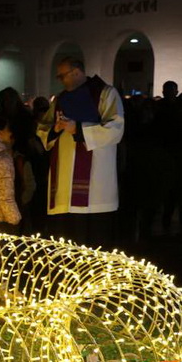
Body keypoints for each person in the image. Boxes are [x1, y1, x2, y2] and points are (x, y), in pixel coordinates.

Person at [37, 57, 124, 247]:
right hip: (63, 183)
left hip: (96, 185)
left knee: (95, 244)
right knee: (66, 243)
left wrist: (77, 128)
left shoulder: (105, 93)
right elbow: (43, 128)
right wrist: (57, 128)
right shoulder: (60, 99)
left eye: (62, 75)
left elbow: (115, 128)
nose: (60, 80)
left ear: (77, 72)